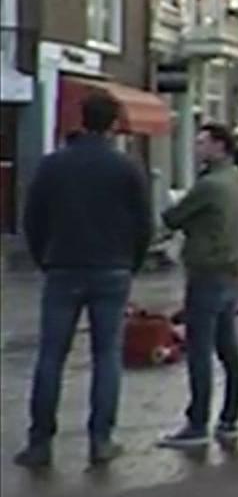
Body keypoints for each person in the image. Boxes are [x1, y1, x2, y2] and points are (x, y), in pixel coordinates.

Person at [15, 92, 152, 470]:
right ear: (113, 125)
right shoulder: (127, 168)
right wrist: (132, 262)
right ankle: (101, 440)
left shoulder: (53, 165)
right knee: (106, 356)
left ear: (82, 119)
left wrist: (45, 258)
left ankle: (40, 442)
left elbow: (33, 218)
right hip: (112, 269)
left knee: (51, 355)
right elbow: (144, 223)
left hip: (63, 266)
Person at [158, 123, 238, 450]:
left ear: (219, 146)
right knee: (228, 348)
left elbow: (172, 218)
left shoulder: (210, 185)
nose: (196, 147)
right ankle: (229, 419)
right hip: (231, 271)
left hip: (206, 271)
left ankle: (197, 423)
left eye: (202, 142)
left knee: (199, 349)